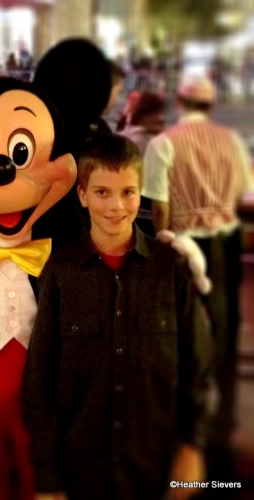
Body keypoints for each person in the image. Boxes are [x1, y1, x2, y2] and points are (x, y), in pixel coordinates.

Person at [21, 133, 213, 500]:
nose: (116, 206)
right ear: (82, 195)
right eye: (102, 192)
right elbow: (38, 385)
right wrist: (47, 478)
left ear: (141, 193)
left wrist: (193, 447)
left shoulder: (171, 269)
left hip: (157, 467)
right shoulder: (60, 273)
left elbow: (198, 367)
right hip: (80, 471)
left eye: (128, 192)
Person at [142, 75, 254, 460]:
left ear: (179, 101)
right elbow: (242, 191)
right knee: (224, 328)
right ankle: (222, 422)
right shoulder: (232, 141)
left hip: (184, 245)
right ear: (211, 105)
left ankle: (184, 423)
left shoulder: (163, 143)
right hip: (226, 240)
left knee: (182, 332)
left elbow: (159, 206)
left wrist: (161, 249)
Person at [117, 91, 167, 236]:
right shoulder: (146, 143)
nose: (161, 120)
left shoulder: (124, 133)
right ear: (147, 115)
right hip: (144, 214)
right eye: (158, 115)